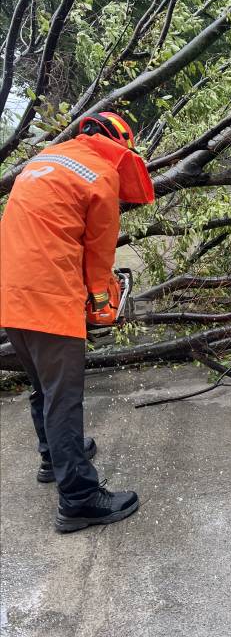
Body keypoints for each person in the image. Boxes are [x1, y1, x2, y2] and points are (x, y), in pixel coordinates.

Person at [0, 112, 154, 532]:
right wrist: (102, 302)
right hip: (49, 297)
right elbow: (99, 256)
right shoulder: (100, 175)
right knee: (64, 397)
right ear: (121, 146)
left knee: (44, 386)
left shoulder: (45, 160)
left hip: (11, 294)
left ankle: (54, 456)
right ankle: (80, 498)